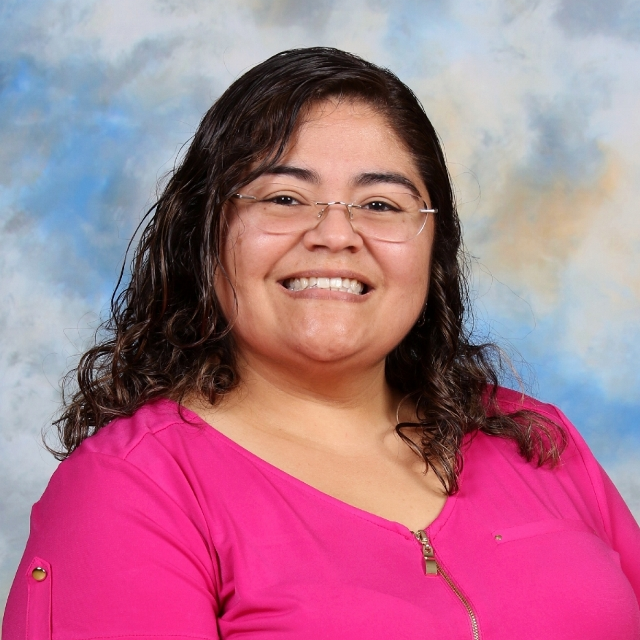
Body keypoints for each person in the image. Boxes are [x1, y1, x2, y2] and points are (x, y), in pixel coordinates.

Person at [3, 47, 639, 639]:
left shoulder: (536, 439)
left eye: (381, 205)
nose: (336, 234)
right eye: (285, 197)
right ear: (205, 236)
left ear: (433, 247)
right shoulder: (131, 490)